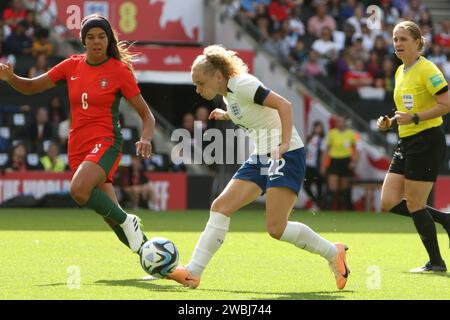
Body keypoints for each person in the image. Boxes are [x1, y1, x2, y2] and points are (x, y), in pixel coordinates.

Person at [163, 45, 350, 290]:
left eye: (200, 83)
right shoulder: (229, 93)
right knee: (220, 207)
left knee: (276, 228)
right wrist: (227, 114)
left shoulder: (241, 84)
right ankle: (193, 273)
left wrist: (283, 143)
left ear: (218, 76)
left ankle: (332, 252)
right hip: (261, 156)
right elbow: (252, 110)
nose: (197, 90)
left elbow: (285, 105)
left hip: (286, 153)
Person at [0, 14, 155, 253]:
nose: (96, 41)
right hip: (77, 148)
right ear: (83, 41)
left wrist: (145, 137)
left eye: (101, 36)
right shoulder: (71, 65)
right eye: (90, 37)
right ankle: (157, 262)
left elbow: (146, 114)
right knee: (110, 218)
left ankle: (128, 219)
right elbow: (30, 87)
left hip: (106, 142)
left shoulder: (119, 71)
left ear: (109, 39)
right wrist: (11, 78)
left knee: (78, 190)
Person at [377, 21, 450, 273]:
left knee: (415, 204)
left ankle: (436, 263)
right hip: (405, 140)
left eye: (403, 39)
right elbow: (406, 111)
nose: (397, 44)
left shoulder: (427, 69)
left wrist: (416, 117)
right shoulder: (400, 71)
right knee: (388, 201)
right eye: (395, 39)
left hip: (427, 140)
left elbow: (446, 103)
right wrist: (391, 120)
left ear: (418, 42)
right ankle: (445, 220)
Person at [321, 115, 358, 211]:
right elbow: (326, 149)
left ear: (345, 122)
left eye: (342, 121)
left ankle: (342, 209)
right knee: (332, 187)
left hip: (346, 161)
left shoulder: (351, 134)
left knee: (343, 188)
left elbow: (355, 149)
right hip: (334, 161)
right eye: (338, 121)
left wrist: (354, 161)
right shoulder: (332, 133)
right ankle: (329, 209)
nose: (340, 123)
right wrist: (323, 164)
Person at [304, 120, 326, 210]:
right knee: (306, 185)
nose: (317, 129)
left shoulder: (323, 139)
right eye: (315, 127)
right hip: (309, 164)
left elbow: (323, 152)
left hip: (317, 165)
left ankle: (320, 205)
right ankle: (316, 201)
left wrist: (322, 165)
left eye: (318, 127)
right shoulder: (310, 138)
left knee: (319, 185)